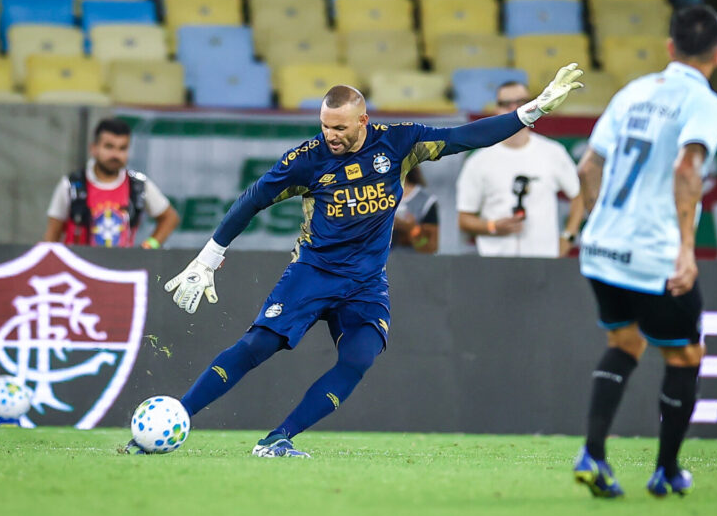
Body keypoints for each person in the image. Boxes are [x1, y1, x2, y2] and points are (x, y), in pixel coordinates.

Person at [141, 64, 584, 458]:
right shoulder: (307, 160)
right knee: (259, 346)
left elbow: (464, 137)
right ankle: (180, 414)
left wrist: (532, 111)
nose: (330, 136)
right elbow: (252, 200)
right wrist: (210, 256)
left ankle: (278, 438)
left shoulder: (398, 144)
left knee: (359, 358)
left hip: (366, 282)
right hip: (312, 272)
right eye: (324, 126)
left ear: (362, 120)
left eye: (338, 128)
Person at [572, 5, 717, 498]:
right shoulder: (707, 104)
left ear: (669, 48)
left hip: (602, 245)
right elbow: (688, 168)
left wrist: (599, 223)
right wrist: (686, 250)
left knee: (625, 343)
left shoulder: (632, 92)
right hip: (653, 250)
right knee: (684, 355)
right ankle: (666, 470)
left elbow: (587, 168)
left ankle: (593, 454)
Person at [456, 81, 584, 258]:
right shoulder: (478, 161)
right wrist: (493, 226)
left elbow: (578, 196)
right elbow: (464, 219)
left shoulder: (553, 152)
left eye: (521, 102)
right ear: (496, 110)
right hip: (495, 263)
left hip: (543, 263)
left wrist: (567, 238)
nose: (514, 108)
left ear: (533, 105)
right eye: (505, 104)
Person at [43, 118, 179, 249]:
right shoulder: (71, 186)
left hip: (122, 270)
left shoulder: (138, 185)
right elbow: (52, 236)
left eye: (122, 148)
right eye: (109, 147)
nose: (115, 155)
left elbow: (170, 218)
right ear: (94, 148)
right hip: (79, 268)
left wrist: (149, 246)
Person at [391, 166, 438, 253]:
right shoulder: (369, 199)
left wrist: (413, 229)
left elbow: (430, 248)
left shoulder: (425, 202)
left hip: (413, 263)